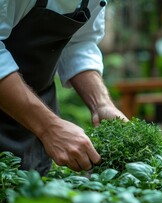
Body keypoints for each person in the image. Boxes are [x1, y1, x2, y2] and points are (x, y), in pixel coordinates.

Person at [0, 0, 127, 175]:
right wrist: (49, 127)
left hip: (37, 117)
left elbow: (80, 43)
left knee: (30, 190)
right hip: (33, 116)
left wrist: (102, 104)